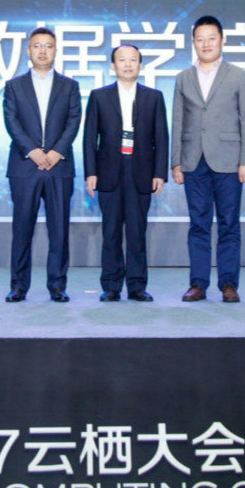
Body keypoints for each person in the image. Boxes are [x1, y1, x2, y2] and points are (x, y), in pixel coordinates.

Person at [170, 15, 245, 304]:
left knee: (229, 223)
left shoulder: (238, 75)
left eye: (211, 38)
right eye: (200, 39)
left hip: (229, 161)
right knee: (198, 224)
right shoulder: (183, 77)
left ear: (222, 40)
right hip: (193, 161)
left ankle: (229, 284)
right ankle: (198, 284)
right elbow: (178, 122)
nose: (206, 44)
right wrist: (176, 162)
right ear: (193, 43)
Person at [83, 44, 169, 303]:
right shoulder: (99, 96)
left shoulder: (154, 97)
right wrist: (90, 172)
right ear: (113, 66)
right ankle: (111, 286)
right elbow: (89, 138)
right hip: (108, 171)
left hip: (141, 171)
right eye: (122, 60)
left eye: (133, 60)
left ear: (140, 65)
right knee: (110, 232)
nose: (128, 64)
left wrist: (159, 173)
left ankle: (137, 285)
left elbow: (161, 138)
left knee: (136, 232)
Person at [3, 28, 82, 303]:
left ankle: (57, 285)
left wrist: (57, 151)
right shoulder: (14, 86)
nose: (42, 51)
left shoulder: (69, 86)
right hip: (24, 167)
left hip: (59, 168)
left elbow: (74, 121)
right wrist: (33, 151)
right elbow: (12, 121)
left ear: (56, 50)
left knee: (58, 230)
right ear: (28, 50)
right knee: (22, 229)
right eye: (37, 45)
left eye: (48, 46)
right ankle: (18, 286)